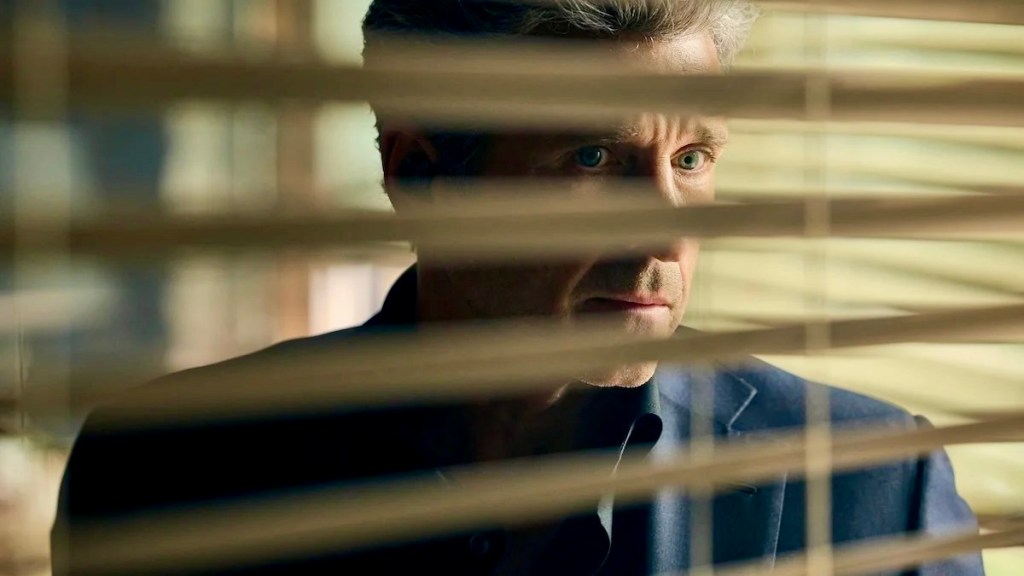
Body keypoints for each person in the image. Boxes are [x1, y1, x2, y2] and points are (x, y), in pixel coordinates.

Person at [52, 1, 984, 574]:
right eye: (592, 158)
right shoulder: (165, 475)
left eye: (691, 159)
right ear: (421, 172)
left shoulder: (873, 484)